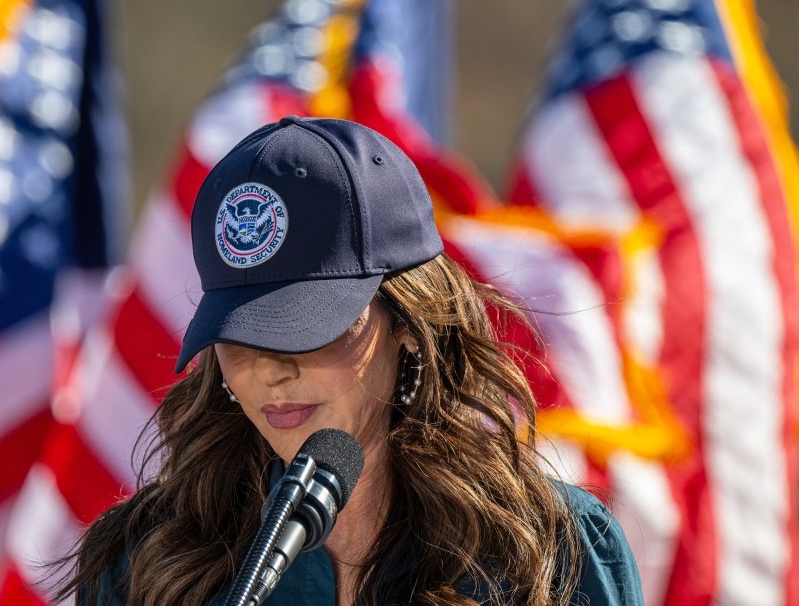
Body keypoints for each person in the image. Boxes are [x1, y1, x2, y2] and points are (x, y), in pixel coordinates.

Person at [53, 116, 644, 605]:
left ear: (409, 324)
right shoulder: (144, 564)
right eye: (239, 335)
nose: (270, 371)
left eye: (304, 329)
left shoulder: (555, 552)